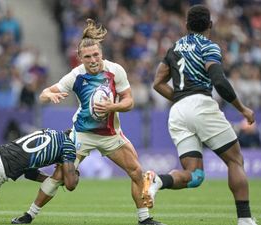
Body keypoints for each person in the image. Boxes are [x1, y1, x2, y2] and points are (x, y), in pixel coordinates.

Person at [11, 19, 164, 225]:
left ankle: (144, 220)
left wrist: (112, 107)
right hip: (82, 134)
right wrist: (50, 95)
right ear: (80, 58)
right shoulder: (75, 76)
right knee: (61, 179)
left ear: (101, 54)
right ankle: (29, 215)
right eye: (88, 56)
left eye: (96, 55)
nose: (93, 60)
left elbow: (129, 102)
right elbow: (44, 94)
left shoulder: (115, 70)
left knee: (136, 171)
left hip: (110, 135)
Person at [150, 4, 257, 225]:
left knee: (195, 175)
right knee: (235, 160)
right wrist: (242, 109)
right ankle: (245, 219)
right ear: (210, 25)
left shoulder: (174, 48)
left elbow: (157, 83)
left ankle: (157, 181)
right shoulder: (209, 47)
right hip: (201, 104)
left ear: (186, 24)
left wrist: (181, 98)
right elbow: (219, 81)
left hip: (178, 111)